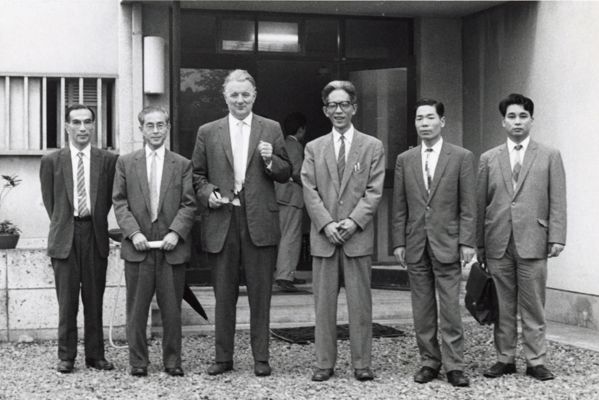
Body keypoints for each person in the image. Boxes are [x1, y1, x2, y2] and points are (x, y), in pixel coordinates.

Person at [191, 69, 291, 377]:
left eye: (245, 94)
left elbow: (286, 171)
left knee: (261, 294)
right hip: (222, 219)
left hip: (259, 221)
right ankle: (223, 358)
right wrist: (208, 194)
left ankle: (261, 358)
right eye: (234, 94)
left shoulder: (271, 128)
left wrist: (271, 159)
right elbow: (196, 176)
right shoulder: (208, 131)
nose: (240, 100)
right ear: (225, 97)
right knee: (224, 294)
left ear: (254, 96)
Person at [477, 93, 566, 381]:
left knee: (533, 305)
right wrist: (479, 244)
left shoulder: (549, 155)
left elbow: (558, 198)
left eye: (523, 116)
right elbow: (480, 204)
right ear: (503, 122)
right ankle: (505, 358)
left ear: (532, 120)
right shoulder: (489, 158)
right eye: (512, 116)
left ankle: (536, 360)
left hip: (534, 239)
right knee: (502, 304)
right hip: (498, 242)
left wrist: (557, 236)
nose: (517, 121)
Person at [301, 80, 385, 382]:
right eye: (333, 105)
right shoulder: (313, 148)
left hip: (356, 237)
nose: (339, 110)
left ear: (354, 108)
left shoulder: (372, 146)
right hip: (324, 239)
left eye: (344, 104)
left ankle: (362, 363)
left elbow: (374, 191)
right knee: (323, 305)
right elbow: (309, 189)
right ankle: (324, 363)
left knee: (360, 305)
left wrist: (351, 222)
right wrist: (326, 224)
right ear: (325, 110)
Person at [391, 98, 475, 387]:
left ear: (442, 121)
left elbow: (468, 204)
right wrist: (398, 243)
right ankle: (429, 361)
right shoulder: (405, 159)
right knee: (422, 308)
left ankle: (455, 365)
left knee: (450, 308)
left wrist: (467, 241)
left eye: (429, 118)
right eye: (419, 119)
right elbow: (399, 206)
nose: (424, 124)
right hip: (415, 243)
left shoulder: (461, 157)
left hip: (448, 243)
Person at [112, 106, 196, 377]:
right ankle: (138, 362)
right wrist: (134, 233)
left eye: (161, 125)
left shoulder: (182, 164)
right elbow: (119, 202)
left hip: (171, 248)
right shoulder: (126, 162)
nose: (156, 130)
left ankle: (173, 362)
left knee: (172, 310)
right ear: (142, 129)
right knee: (136, 310)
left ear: (168, 127)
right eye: (150, 125)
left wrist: (176, 232)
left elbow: (189, 204)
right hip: (139, 249)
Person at [40, 104, 118, 373]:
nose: (82, 127)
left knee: (94, 299)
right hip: (65, 235)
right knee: (67, 300)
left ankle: (95, 356)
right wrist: (66, 224)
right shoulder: (51, 161)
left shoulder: (108, 160)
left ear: (94, 125)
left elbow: (108, 199)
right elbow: (51, 202)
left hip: (94, 234)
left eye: (87, 122)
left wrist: (91, 222)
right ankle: (66, 356)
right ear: (67, 126)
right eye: (76, 122)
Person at [274, 112, 307, 292]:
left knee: (281, 236)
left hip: (278, 195)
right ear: (301, 129)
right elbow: (296, 172)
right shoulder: (295, 146)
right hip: (291, 196)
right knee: (291, 236)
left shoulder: (281, 144)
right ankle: (285, 276)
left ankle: (284, 273)